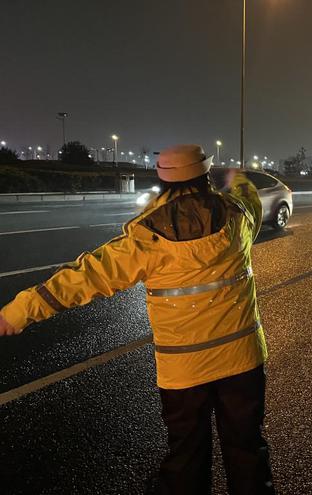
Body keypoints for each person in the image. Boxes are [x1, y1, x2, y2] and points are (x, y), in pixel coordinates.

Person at [0, 144, 276, 494]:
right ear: (205, 176)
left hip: (183, 372)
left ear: (163, 181)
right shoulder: (238, 217)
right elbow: (248, 199)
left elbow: (85, 277)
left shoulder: (146, 238)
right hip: (243, 361)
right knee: (246, 448)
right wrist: (239, 181)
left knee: (187, 455)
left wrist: (18, 311)